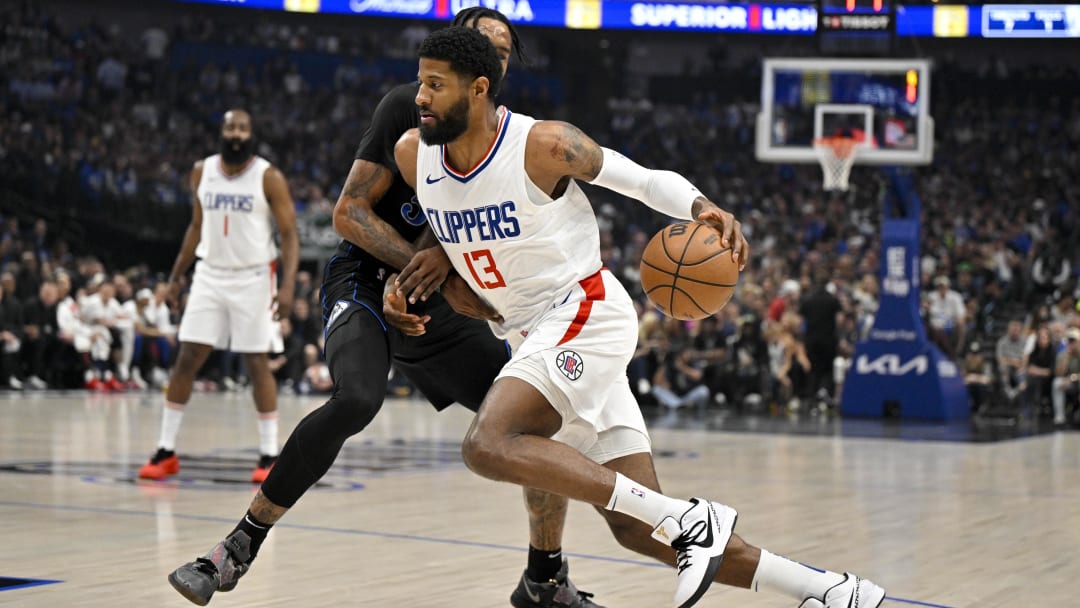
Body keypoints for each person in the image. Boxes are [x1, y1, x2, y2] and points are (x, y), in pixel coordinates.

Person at [390, 26, 884, 608]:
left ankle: (690, 521)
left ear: (477, 90)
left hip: (583, 312)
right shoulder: (411, 154)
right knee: (639, 529)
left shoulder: (544, 145)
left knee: (488, 444)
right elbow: (451, 230)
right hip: (530, 336)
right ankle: (831, 590)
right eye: (421, 81)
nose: (419, 96)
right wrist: (419, 279)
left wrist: (701, 205)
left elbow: (643, 180)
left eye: (434, 85)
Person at [166, 10, 602, 608]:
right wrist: (412, 264)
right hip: (366, 280)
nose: (491, 53)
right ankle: (238, 545)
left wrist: (446, 273)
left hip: (437, 303)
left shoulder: (515, 140)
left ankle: (544, 580)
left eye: (503, 50)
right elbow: (348, 212)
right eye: (480, 39)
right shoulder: (408, 107)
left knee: (532, 424)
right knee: (357, 399)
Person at [138, 108, 299, 483]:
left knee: (256, 361)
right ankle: (165, 451)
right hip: (209, 274)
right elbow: (196, 226)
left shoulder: (268, 176)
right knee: (186, 358)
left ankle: (269, 454)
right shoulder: (201, 171)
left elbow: (289, 234)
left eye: (243, 127)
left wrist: (288, 286)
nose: (237, 134)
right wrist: (177, 277)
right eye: (231, 127)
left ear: (251, 133)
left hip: (254, 276)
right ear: (222, 132)